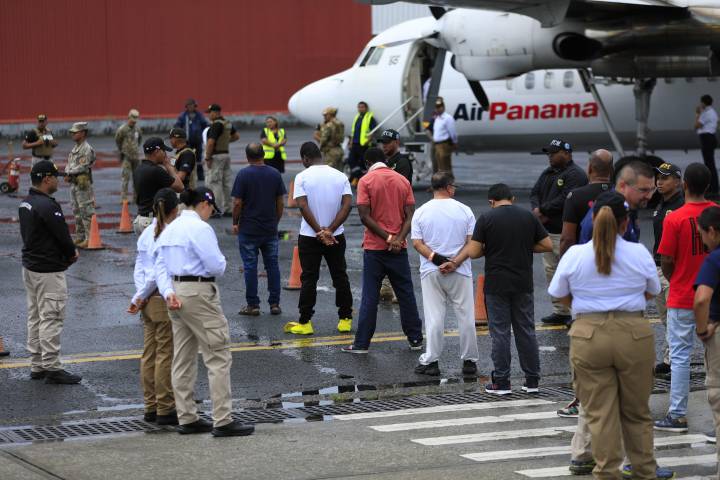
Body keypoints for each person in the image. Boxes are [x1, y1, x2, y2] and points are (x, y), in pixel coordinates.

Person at [549, 191, 670, 480]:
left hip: (589, 333)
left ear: (593, 220)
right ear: (625, 222)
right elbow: (652, 290)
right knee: (637, 412)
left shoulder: (576, 255)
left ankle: (606, 472)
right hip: (633, 332)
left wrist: (585, 307)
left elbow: (559, 294)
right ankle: (643, 470)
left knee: (599, 414)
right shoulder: (638, 253)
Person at [154, 186, 254, 437]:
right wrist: (223, 262)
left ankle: (187, 417)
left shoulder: (170, 228)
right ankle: (223, 419)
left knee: (183, 358)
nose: (211, 214)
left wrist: (168, 292)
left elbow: (160, 267)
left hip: (175, 291)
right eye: (211, 209)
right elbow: (216, 266)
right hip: (199, 292)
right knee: (218, 356)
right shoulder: (200, 228)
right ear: (204, 204)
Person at [448, 183, 551, 392]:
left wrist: (491, 247)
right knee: (526, 330)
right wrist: (523, 246)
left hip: (496, 284)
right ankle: (532, 380)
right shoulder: (528, 217)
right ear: (512, 199)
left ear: (491, 202)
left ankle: (502, 382)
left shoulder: (486, 218)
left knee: (500, 333)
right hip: (523, 283)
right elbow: (547, 245)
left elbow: (474, 252)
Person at [342, 147, 423, 353]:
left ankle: (362, 344)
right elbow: (410, 214)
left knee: (370, 296)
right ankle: (415, 339)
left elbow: (364, 216)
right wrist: (398, 239)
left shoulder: (366, 181)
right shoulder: (402, 180)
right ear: (384, 160)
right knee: (405, 294)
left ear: (368, 163)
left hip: (375, 248)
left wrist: (387, 238)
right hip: (398, 249)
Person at [655, 162, 715, 433]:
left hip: (682, 294)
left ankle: (677, 414)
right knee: (714, 357)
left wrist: (677, 277)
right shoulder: (716, 213)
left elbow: (666, 259)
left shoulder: (674, 218)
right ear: (709, 186)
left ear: (685, 185)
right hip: (712, 295)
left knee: (680, 356)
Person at [19, 160, 81, 384]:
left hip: (31, 267)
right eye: (55, 177)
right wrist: (71, 253)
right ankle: (52, 367)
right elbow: (62, 236)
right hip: (48, 270)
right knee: (51, 317)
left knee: (35, 316)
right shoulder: (48, 206)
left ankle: (37, 365)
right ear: (46, 179)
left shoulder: (26, 203)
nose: (58, 180)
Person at [411, 172, 479, 376]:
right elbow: (471, 243)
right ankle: (469, 361)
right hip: (460, 270)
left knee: (434, 317)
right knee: (466, 316)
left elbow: (417, 243)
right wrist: (454, 262)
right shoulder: (465, 210)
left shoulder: (421, 212)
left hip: (431, 270)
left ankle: (431, 361)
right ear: (449, 187)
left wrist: (437, 259)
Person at [283, 142, 353, 335]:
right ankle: (345, 319)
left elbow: (302, 205)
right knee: (340, 276)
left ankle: (305, 322)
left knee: (309, 278)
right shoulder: (340, 176)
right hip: (336, 236)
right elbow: (347, 205)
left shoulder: (302, 177)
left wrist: (318, 231)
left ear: (305, 158)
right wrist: (330, 230)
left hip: (309, 236)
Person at [127, 188, 179, 425]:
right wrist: (143, 294)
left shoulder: (147, 232)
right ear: (174, 209)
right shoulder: (169, 234)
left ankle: (150, 405)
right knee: (165, 354)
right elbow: (159, 273)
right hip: (159, 297)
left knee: (149, 354)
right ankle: (165, 407)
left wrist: (139, 295)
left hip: (147, 300)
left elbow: (140, 267)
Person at [531, 139, 588, 325]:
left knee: (570, 272)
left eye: (554, 153)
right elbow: (534, 192)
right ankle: (560, 310)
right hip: (547, 232)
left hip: (566, 233)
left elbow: (567, 199)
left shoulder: (575, 174)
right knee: (552, 271)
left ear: (567, 154)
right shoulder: (548, 172)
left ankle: (577, 312)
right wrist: (537, 210)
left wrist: (543, 210)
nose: (550, 156)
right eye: (549, 153)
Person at [231, 143, 286, 316]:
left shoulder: (243, 174)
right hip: (269, 228)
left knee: (250, 267)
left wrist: (235, 222)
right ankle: (275, 303)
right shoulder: (275, 174)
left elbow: (237, 203)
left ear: (247, 157)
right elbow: (280, 202)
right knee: (272, 266)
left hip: (248, 228)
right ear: (263, 155)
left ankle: (253, 305)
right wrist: (275, 221)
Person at [693, 205, 720, 463]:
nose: (702, 240)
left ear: (712, 231)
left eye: (702, 234)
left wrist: (703, 329)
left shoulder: (714, 259)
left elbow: (701, 299)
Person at [652, 162, 685, 376]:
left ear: (678, 181)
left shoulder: (681, 206)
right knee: (666, 319)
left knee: (675, 319)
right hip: (658, 266)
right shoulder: (661, 205)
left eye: (665, 178)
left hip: (673, 268)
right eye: (658, 178)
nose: (659, 182)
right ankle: (671, 356)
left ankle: (673, 360)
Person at [559, 149, 613, 256]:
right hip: (614, 256)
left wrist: (564, 261)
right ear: (612, 170)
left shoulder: (575, 196)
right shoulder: (620, 194)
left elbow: (567, 239)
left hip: (584, 258)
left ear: (589, 168)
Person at [133, 138, 184, 234]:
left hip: (140, 219)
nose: (165, 154)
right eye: (163, 151)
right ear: (157, 151)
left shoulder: (138, 169)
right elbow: (180, 187)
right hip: (151, 221)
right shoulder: (157, 171)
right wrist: (169, 166)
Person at [65, 122, 96, 248]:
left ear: (83, 133)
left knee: (86, 211)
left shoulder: (86, 149)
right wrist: (67, 172)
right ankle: (80, 237)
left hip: (83, 184)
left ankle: (89, 238)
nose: (72, 134)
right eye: (72, 132)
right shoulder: (75, 149)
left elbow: (83, 166)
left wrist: (69, 172)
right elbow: (69, 164)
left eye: (75, 132)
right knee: (76, 211)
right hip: (74, 183)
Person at [205, 103, 239, 216]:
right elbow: (236, 136)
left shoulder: (216, 125)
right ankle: (228, 208)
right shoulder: (227, 123)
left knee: (215, 183)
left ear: (215, 112)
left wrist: (207, 157)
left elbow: (210, 142)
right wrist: (225, 142)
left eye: (210, 113)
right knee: (226, 183)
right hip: (226, 155)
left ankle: (216, 209)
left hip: (216, 156)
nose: (208, 115)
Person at [174, 98, 209, 182]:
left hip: (198, 141)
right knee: (187, 157)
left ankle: (200, 175)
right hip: (187, 141)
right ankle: (187, 174)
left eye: (192, 105)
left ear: (195, 106)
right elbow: (177, 126)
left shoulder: (199, 115)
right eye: (189, 105)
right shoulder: (183, 116)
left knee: (199, 158)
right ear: (186, 106)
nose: (190, 107)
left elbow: (205, 125)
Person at [115, 109, 142, 202]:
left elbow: (139, 140)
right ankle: (124, 198)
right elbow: (118, 140)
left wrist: (135, 149)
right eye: (132, 120)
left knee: (137, 177)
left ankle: (136, 197)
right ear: (128, 117)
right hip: (126, 156)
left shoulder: (138, 129)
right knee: (125, 177)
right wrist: (122, 150)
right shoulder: (122, 129)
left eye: (135, 120)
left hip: (136, 157)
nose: (133, 122)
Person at [348, 101, 377, 185]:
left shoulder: (369, 117)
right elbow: (353, 131)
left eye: (362, 107)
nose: (360, 109)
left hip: (364, 145)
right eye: (359, 107)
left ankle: (360, 180)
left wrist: (368, 140)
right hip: (355, 143)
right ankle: (358, 176)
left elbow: (373, 131)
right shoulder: (357, 117)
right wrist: (351, 142)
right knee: (351, 160)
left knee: (362, 163)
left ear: (366, 108)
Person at [696, 94, 719, 197]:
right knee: (710, 164)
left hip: (707, 138)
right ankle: (713, 187)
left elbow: (697, 125)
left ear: (703, 102)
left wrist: (697, 114)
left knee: (709, 164)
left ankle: (713, 189)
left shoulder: (705, 113)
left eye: (701, 102)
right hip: (710, 137)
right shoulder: (712, 112)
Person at [427, 97, 457, 173]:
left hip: (444, 144)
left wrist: (453, 143)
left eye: (440, 106)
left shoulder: (447, 118)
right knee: (436, 164)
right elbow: (428, 130)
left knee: (445, 165)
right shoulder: (435, 118)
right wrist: (433, 139)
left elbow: (452, 132)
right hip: (435, 144)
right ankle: (437, 178)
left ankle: (447, 179)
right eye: (436, 107)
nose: (438, 109)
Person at [314, 107, 345, 171]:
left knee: (329, 171)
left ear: (331, 115)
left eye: (325, 115)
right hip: (339, 150)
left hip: (330, 152)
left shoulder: (329, 125)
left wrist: (317, 137)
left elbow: (324, 139)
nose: (324, 117)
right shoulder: (339, 123)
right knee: (339, 171)